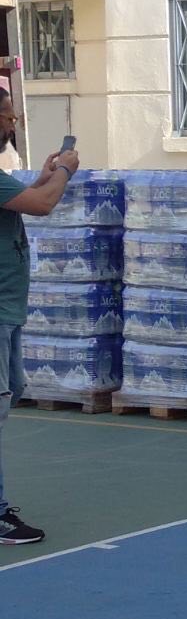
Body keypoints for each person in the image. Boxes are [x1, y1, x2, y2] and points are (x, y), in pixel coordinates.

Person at [0, 92, 80, 545]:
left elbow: (30, 195)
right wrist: (64, 172)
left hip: (7, 310)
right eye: (7, 117)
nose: (12, 125)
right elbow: (43, 204)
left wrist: (46, 177)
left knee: (11, 391)